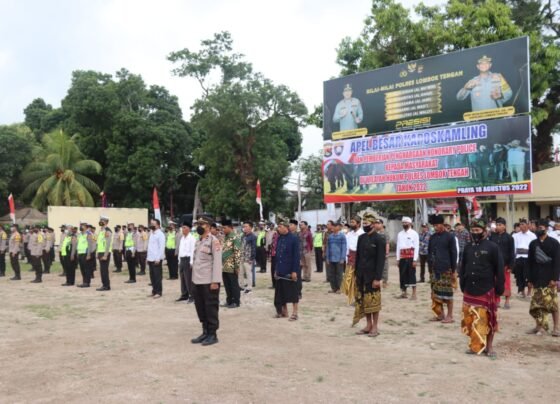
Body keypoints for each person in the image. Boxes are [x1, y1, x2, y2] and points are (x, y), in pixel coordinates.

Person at [460, 219, 505, 357]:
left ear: (484, 232)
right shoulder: (468, 247)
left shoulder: (493, 247)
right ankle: (475, 345)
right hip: (469, 288)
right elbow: (463, 266)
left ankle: (489, 346)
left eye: (478, 230)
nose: (475, 233)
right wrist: (462, 283)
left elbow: (499, 269)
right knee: (470, 319)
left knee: (488, 319)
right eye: (473, 230)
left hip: (486, 288)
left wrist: (499, 289)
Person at [352, 213, 386, 337]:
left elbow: (381, 261)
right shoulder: (361, 238)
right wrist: (356, 273)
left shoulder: (379, 239)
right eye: (364, 223)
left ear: (373, 224)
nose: (365, 225)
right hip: (361, 275)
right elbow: (358, 257)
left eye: (367, 223)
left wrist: (377, 278)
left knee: (373, 302)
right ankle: (368, 325)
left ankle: (375, 326)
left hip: (372, 276)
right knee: (364, 301)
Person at [191, 217, 222, 346]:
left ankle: (212, 334)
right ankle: (205, 332)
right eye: (198, 224)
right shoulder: (198, 241)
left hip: (209, 281)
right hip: (197, 280)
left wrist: (215, 281)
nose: (199, 226)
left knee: (210, 308)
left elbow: (217, 262)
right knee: (200, 307)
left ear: (209, 227)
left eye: (202, 224)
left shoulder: (214, 241)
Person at [527, 219, 560, 337]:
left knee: (553, 304)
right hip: (536, 277)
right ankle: (538, 327)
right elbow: (530, 262)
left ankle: (556, 328)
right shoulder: (533, 244)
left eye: (540, 228)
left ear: (546, 228)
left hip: (549, 277)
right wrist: (529, 279)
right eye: (537, 228)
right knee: (537, 304)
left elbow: (557, 262)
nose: (538, 230)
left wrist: (554, 278)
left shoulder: (554, 243)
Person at [428, 216, 458, 323]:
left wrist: (453, 270)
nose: (435, 227)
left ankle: (450, 316)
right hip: (434, 268)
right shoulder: (432, 237)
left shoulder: (450, 237)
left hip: (446, 269)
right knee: (435, 293)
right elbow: (429, 252)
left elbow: (454, 254)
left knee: (448, 294)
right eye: (434, 226)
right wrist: (429, 267)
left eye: (437, 225)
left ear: (442, 224)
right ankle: (440, 314)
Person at [273, 221, 301, 320]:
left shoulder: (294, 238)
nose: (278, 228)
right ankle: (284, 312)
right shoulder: (279, 238)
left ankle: (295, 313)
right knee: (281, 292)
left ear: (286, 227)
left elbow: (296, 256)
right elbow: (278, 255)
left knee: (293, 292)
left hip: (290, 269)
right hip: (281, 268)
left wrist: (294, 271)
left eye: (280, 226)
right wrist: (276, 269)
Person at [489, 217, 516, 309]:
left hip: (505, 265)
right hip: (494, 264)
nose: (498, 226)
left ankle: (507, 300)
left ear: (504, 226)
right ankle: (497, 301)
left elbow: (512, 252)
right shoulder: (492, 237)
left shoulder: (509, 238)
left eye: (500, 225)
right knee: (495, 282)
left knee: (506, 283)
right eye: (497, 225)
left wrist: (511, 265)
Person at [341, 216, 363, 304]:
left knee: (357, 280)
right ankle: (353, 297)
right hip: (350, 259)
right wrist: (346, 259)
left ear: (358, 224)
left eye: (353, 222)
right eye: (351, 222)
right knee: (349, 280)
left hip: (359, 259)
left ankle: (359, 298)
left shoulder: (362, 234)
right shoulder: (349, 234)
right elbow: (347, 247)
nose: (351, 224)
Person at [396, 217, 419, 299]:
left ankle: (414, 294)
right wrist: (398, 259)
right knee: (402, 275)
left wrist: (415, 260)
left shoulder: (414, 233)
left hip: (411, 257)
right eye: (403, 223)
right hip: (402, 257)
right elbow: (398, 247)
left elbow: (416, 247)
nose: (404, 224)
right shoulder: (400, 234)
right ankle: (404, 293)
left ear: (410, 223)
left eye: (406, 223)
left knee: (412, 275)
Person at [512, 219, 536, 298]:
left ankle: (529, 291)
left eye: (523, 224)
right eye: (520, 224)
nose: (521, 226)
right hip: (519, 257)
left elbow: (534, 248)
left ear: (527, 225)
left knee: (528, 275)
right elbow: (514, 248)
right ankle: (522, 291)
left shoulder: (532, 235)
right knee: (519, 275)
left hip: (528, 257)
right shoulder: (515, 235)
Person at [221, 219, 241, 308]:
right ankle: (229, 301)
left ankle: (236, 301)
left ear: (230, 227)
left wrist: (237, 266)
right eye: (222, 228)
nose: (223, 230)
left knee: (233, 284)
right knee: (227, 284)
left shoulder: (235, 237)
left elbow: (237, 252)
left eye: (224, 228)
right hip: (224, 266)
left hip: (231, 265)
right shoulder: (225, 237)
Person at [177, 221, 196, 303]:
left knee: (189, 279)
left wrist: (191, 262)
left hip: (188, 259)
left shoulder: (192, 238)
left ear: (189, 229)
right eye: (182, 227)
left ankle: (192, 296)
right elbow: (180, 250)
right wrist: (179, 260)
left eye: (184, 227)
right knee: (182, 278)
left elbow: (192, 251)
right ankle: (184, 294)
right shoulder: (182, 238)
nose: (182, 229)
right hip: (182, 259)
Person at [146, 218, 166, 299]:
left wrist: (158, 258)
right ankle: (154, 291)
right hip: (151, 258)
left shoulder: (160, 234)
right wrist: (147, 257)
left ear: (158, 225)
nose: (151, 225)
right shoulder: (151, 233)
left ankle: (158, 292)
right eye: (151, 224)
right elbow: (150, 247)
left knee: (157, 276)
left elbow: (161, 247)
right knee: (152, 276)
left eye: (153, 224)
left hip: (157, 259)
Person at [326, 221, 347, 294]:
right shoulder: (330, 236)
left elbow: (344, 248)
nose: (333, 227)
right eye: (333, 226)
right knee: (331, 274)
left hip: (339, 259)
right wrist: (327, 258)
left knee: (339, 274)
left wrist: (342, 258)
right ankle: (333, 288)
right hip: (331, 258)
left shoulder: (342, 236)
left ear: (338, 227)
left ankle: (339, 288)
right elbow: (328, 248)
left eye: (335, 226)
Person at [96, 218, 112, 292]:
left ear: (106, 222)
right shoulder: (101, 231)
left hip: (105, 252)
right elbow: (99, 242)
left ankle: (106, 286)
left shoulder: (107, 231)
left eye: (102, 221)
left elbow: (108, 243)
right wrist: (97, 252)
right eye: (100, 221)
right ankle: (104, 285)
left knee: (104, 270)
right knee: (102, 270)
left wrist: (105, 255)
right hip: (100, 252)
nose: (100, 222)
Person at [240, 221, 256, 293]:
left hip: (248, 258)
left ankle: (249, 287)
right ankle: (241, 286)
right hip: (241, 257)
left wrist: (252, 258)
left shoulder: (253, 237)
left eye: (246, 226)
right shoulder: (243, 236)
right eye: (244, 226)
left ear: (251, 227)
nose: (244, 228)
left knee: (248, 273)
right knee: (240, 272)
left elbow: (254, 248)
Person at [375, 219, 390, 288]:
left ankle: (385, 282)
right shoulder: (375, 233)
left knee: (384, 268)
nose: (377, 224)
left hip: (383, 253)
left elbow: (387, 243)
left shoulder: (385, 233)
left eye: (378, 223)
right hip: (376, 253)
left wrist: (387, 253)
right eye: (376, 223)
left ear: (382, 224)